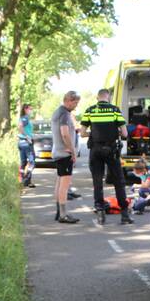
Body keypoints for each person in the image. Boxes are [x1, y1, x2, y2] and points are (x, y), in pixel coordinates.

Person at [79, 88, 133, 225]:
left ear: (98, 98)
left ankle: (101, 213)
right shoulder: (115, 110)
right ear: (108, 98)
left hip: (95, 150)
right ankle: (124, 214)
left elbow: (82, 133)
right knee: (119, 181)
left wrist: (95, 134)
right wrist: (115, 133)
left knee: (97, 182)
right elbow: (125, 133)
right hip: (111, 150)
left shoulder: (90, 110)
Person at [51, 91, 81, 224]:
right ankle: (63, 215)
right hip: (64, 154)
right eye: (75, 103)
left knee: (59, 183)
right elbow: (65, 134)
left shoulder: (58, 112)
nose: (76, 105)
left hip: (58, 152)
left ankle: (59, 212)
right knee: (64, 184)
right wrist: (73, 151)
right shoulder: (64, 114)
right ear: (68, 100)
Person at [17, 103, 36, 188]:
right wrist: (27, 136)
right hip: (26, 143)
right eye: (30, 109)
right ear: (25, 109)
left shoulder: (22, 118)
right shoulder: (25, 118)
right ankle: (26, 180)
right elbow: (20, 127)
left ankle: (21, 180)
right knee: (32, 162)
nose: (31, 111)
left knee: (23, 162)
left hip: (21, 142)